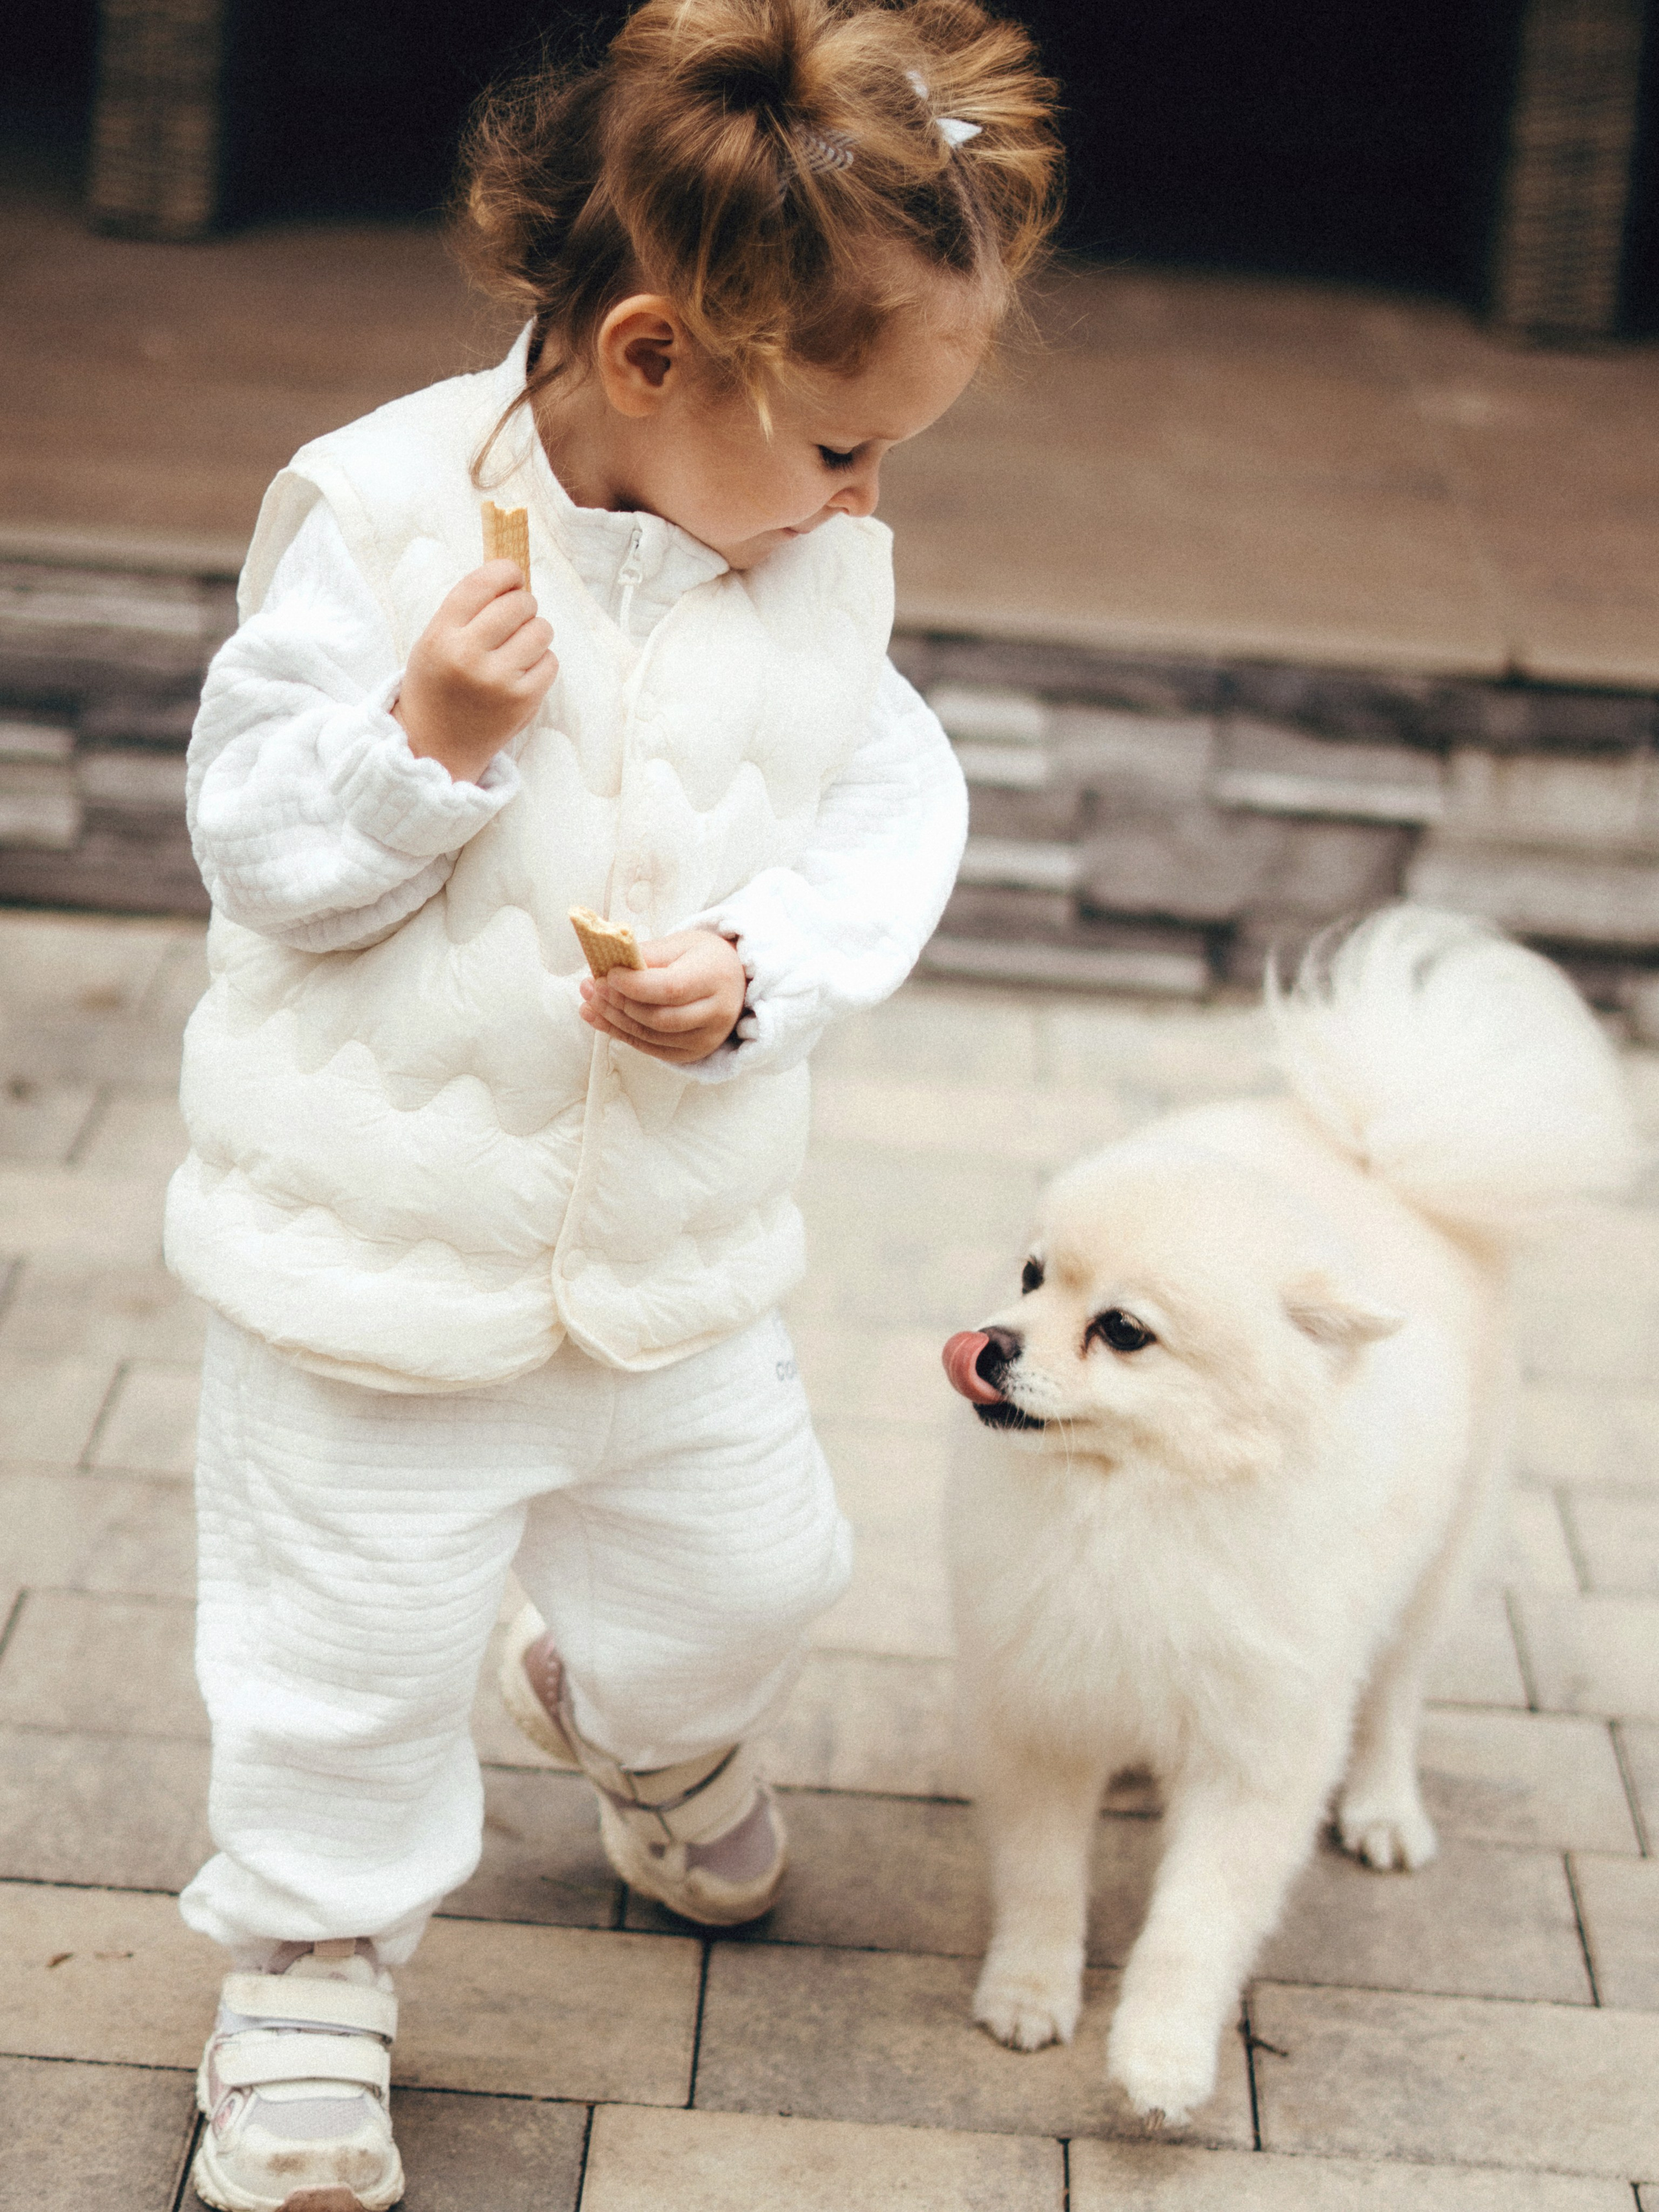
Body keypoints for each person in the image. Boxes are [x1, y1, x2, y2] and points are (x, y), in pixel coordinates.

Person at [165, 2, 1060, 2204]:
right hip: (369, 1274)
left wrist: (764, 970)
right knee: (346, 1655)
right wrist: (424, 749)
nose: (863, 502)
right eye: (841, 444)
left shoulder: (808, 569)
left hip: (666, 1265)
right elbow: (257, 850)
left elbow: (889, 812)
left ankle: (625, 1721)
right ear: (656, 356)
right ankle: (308, 1964)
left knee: (755, 1579)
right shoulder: (385, 518)